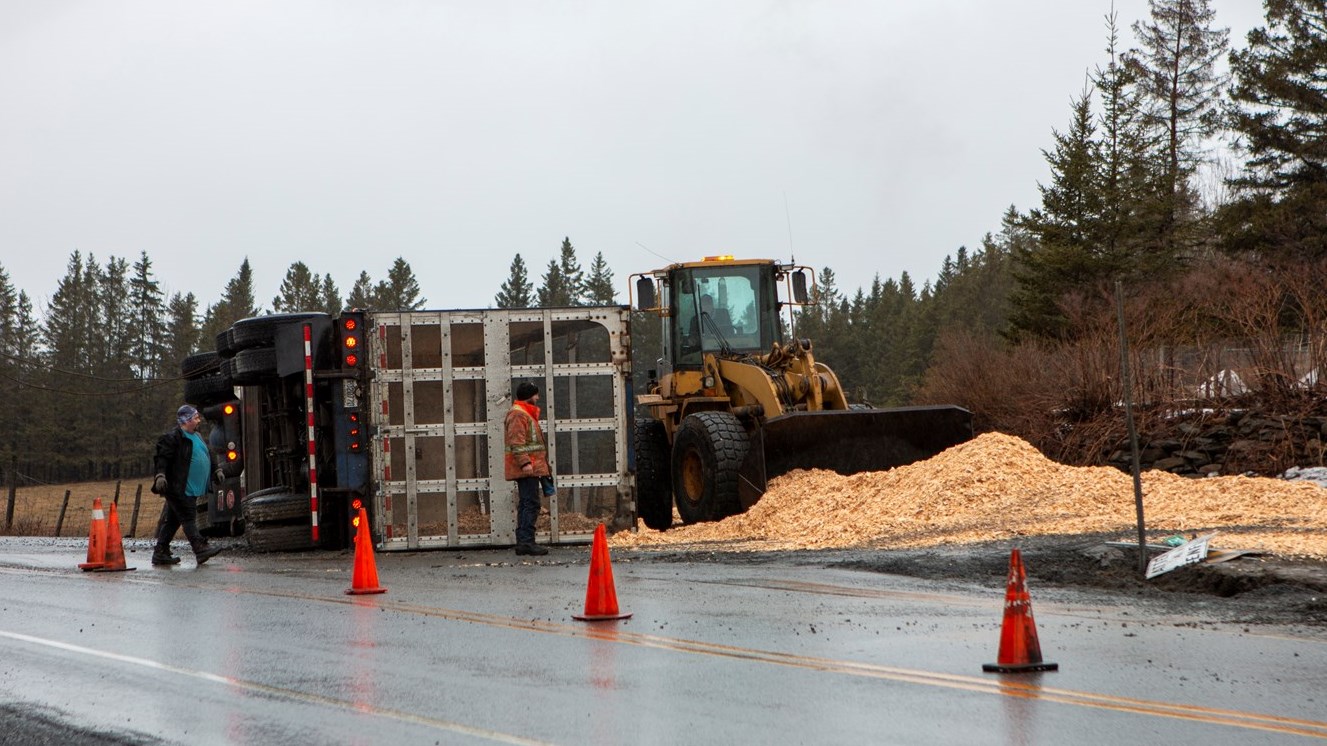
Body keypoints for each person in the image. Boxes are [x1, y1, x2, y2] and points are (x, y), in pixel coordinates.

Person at [150, 404, 225, 566]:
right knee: (188, 517)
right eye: (195, 418)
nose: (198, 420)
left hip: (191, 488)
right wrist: (160, 475)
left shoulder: (197, 436)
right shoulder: (173, 437)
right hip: (179, 486)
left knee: (173, 520)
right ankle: (200, 548)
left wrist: (216, 470)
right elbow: (162, 458)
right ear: (186, 420)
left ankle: (160, 553)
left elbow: (208, 454)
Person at [503, 382, 550, 556]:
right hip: (527, 468)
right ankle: (526, 542)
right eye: (535, 394)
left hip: (530, 467)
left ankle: (524, 542)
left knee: (526, 503)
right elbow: (517, 442)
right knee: (531, 504)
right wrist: (525, 463)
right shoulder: (518, 414)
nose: (537, 398)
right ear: (529, 396)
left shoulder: (524, 413)